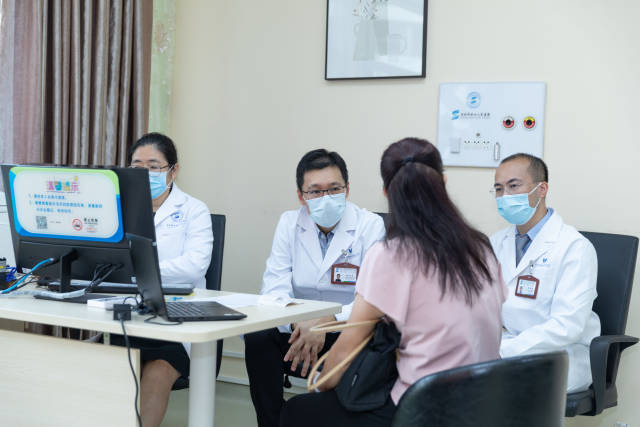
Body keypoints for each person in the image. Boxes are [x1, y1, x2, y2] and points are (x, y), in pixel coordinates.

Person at [280, 138, 507, 427]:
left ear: (387, 192)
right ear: (444, 182)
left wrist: (319, 383)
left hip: (424, 410)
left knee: (297, 411)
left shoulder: (391, 255)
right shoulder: (481, 247)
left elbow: (344, 352)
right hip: (484, 403)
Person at [244, 149, 386, 427]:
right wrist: (300, 322)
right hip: (298, 332)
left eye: (334, 189)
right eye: (315, 191)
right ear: (301, 196)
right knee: (258, 337)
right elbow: (273, 290)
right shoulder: (290, 223)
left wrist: (325, 322)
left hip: (347, 332)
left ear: (347, 189)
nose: (326, 197)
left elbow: (372, 299)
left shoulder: (370, 226)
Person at [113, 132, 213, 427]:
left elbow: (193, 268)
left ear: (173, 170)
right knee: (107, 367)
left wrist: (136, 268)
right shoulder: (118, 209)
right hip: (127, 316)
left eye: (154, 166)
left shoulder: (194, 210)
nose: (145, 173)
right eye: (137, 166)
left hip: (175, 318)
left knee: (157, 370)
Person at [490, 153, 599, 392]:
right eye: (498, 189)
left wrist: (502, 350)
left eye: (513, 186)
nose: (505, 196)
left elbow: (566, 326)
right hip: (505, 347)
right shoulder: (495, 243)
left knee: (487, 390)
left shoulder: (575, 248)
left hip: (559, 356)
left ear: (541, 189)